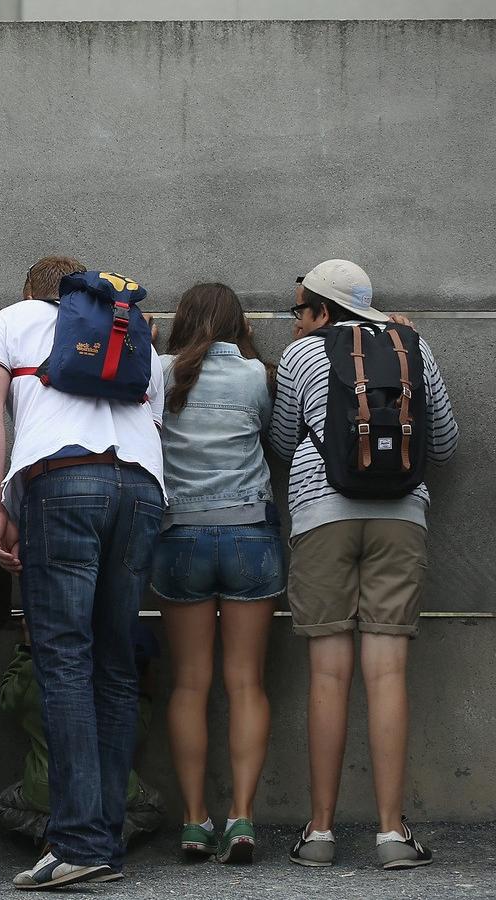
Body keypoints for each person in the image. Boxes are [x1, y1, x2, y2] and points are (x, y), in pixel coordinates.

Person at [0, 255, 165, 890]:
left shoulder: (11, 320)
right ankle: (103, 835)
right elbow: (157, 419)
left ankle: (76, 841)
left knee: (63, 660)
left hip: (62, 482)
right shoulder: (132, 333)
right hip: (140, 488)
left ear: (31, 291)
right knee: (114, 663)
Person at [272, 260, 458, 870]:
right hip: (401, 514)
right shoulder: (413, 346)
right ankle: (391, 835)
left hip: (322, 512)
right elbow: (445, 442)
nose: (297, 320)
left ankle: (320, 833)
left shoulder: (302, 355)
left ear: (322, 310)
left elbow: (281, 439)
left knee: (329, 674)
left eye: (301, 309)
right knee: (387, 673)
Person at [147, 283, 281, 863]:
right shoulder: (255, 375)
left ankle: (195, 820)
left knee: (190, 684)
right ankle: (243, 818)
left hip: (180, 537)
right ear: (237, 324)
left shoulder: (159, 373)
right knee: (246, 683)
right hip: (250, 532)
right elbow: (270, 435)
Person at [0, 618, 166, 850]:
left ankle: (51, 829)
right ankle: (108, 833)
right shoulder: (118, 688)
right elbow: (135, 734)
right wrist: (144, 698)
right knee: (153, 806)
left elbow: (7, 700)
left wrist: (28, 651)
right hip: (114, 789)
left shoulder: (41, 675)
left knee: (4, 805)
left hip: (48, 788)